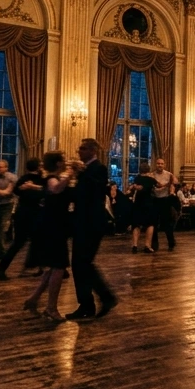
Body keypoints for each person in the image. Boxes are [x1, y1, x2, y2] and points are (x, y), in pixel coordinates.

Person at [66, 138, 118, 321]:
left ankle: (105, 297)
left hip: (93, 223)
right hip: (81, 222)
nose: (79, 151)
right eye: (80, 148)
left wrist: (82, 173)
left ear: (93, 151)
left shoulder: (99, 168)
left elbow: (96, 191)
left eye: (83, 148)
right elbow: (79, 194)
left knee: (84, 263)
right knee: (79, 265)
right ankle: (87, 304)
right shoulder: (84, 171)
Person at [22, 153, 72, 322]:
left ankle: (34, 299)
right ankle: (51, 308)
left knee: (53, 267)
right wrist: (70, 175)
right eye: (63, 161)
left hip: (52, 226)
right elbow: (55, 188)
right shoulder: (52, 179)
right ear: (58, 163)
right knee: (58, 267)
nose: (65, 163)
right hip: (53, 228)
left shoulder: (52, 178)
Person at [0, 159, 45, 281]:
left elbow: (17, 192)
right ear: (38, 167)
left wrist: (26, 188)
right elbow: (45, 193)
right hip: (35, 214)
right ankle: (36, 267)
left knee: (19, 243)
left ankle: (1, 268)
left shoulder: (23, 179)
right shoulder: (41, 180)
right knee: (36, 241)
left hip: (21, 213)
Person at [128, 163, 159, 253]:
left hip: (138, 203)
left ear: (140, 170)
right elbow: (159, 185)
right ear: (148, 170)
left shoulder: (137, 178)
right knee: (150, 224)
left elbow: (134, 187)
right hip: (149, 204)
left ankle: (134, 245)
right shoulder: (151, 180)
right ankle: (147, 245)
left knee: (136, 224)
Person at [148, 158, 178, 252]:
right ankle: (154, 245)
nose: (160, 165)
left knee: (167, 224)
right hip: (155, 200)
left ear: (164, 165)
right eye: (158, 163)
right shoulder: (152, 175)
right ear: (155, 164)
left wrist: (172, 189)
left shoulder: (168, 174)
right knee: (154, 223)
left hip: (165, 200)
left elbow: (175, 182)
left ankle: (171, 243)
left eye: (161, 164)